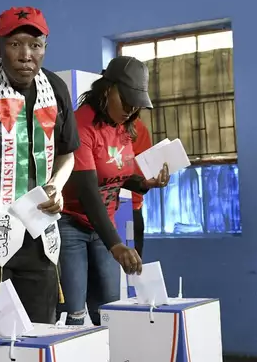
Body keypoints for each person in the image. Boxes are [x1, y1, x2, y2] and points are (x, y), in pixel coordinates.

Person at [0, 6, 79, 332]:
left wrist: (57, 185)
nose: (26, 55)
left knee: (39, 332)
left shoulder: (57, 90)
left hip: (40, 236)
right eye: (15, 44)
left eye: (35, 45)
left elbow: (68, 154)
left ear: (45, 48)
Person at [57, 56, 170, 326]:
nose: (131, 110)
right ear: (108, 89)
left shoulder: (123, 126)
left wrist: (145, 183)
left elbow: (116, 174)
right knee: (75, 311)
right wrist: (116, 245)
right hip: (71, 223)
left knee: (108, 310)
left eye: (136, 105)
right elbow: (87, 190)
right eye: (127, 101)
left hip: (103, 225)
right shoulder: (81, 125)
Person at [129, 114, 152, 257]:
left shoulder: (139, 129)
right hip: (103, 208)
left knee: (132, 268)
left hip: (131, 207)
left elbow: (145, 173)